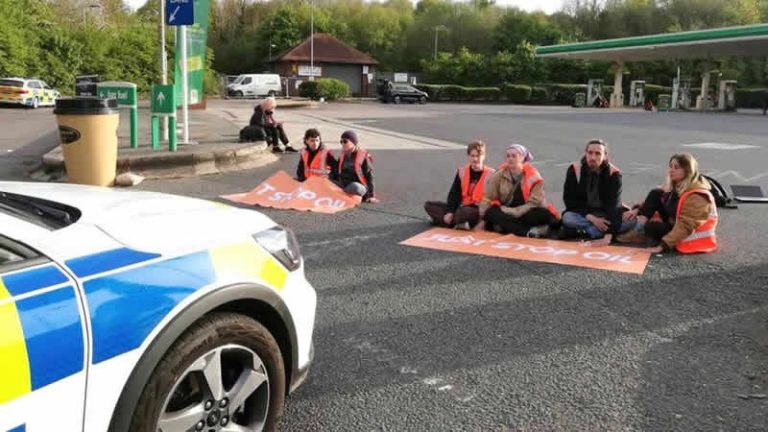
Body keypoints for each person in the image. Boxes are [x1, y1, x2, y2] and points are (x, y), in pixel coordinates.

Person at [617, 153, 718, 254]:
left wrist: (662, 246)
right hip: (674, 222)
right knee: (656, 193)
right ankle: (638, 230)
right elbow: (655, 199)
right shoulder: (678, 184)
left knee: (652, 227)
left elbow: (685, 226)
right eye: (670, 166)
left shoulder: (697, 196)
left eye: (676, 167)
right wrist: (637, 210)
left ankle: (645, 232)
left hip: (688, 237)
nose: (671, 170)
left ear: (687, 171)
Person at [560, 139, 634, 245]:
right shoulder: (575, 169)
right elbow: (570, 201)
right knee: (567, 218)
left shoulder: (614, 174)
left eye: (598, 154)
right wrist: (592, 219)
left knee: (632, 221)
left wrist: (607, 238)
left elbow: (613, 206)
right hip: (585, 214)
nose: (593, 157)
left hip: (605, 214)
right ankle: (595, 231)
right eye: (590, 153)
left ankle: (588, 232)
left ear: (605, 156)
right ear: (585, 154)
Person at [478, 144, 559, 237]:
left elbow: (534, 203)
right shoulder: (499, 174)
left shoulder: (533, 176)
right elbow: (488, 198)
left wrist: (513, 211)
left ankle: (505, 227)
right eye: (508, 156)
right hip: (505, 211)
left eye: (514, 156)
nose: (510, 159)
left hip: (525, 211)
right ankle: (528, 231)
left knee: (544, 214)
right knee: (490, 212)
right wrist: (481, 218)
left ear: (522, 158)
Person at [424, 140, 495, 230]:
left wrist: (484, 220)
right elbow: (454, 194)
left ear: (484, 156)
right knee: (429, 205)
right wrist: (450, 212)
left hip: (478, 210)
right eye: (472, 156)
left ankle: (452, 222)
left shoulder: (491, 174)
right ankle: (458, 223)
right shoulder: (462, 171)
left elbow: (494, 200)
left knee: (463, 213)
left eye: (478, 156)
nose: (475, 159)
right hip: (461, 206)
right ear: (468, 156)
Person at [335, 130, 378, 203]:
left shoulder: (363, 156)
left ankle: (339, 193)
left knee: (355, 187)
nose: (342, 144)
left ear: (353, 142)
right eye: (341, 141)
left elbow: (369, 175)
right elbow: (336, 171)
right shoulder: (342, 155)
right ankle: (340, 193)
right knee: (326, 181)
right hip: (344, 183)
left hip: (358, 185)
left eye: (345, 141)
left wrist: (372, 195)